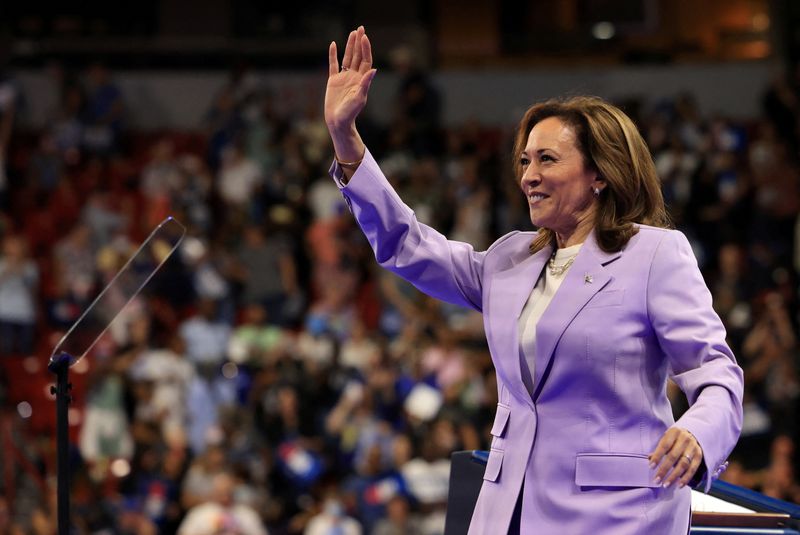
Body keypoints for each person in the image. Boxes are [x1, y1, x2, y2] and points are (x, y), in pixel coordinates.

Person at [323, 26, 744, 534]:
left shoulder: (653, 254)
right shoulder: (510, 260)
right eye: (525, 160)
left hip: (618, 517)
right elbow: (406, 243)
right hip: (508, 512)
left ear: (600, 173)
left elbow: (716, 374)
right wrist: (346, 140)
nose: (528, 175)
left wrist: (698, 434)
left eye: (547, 159)